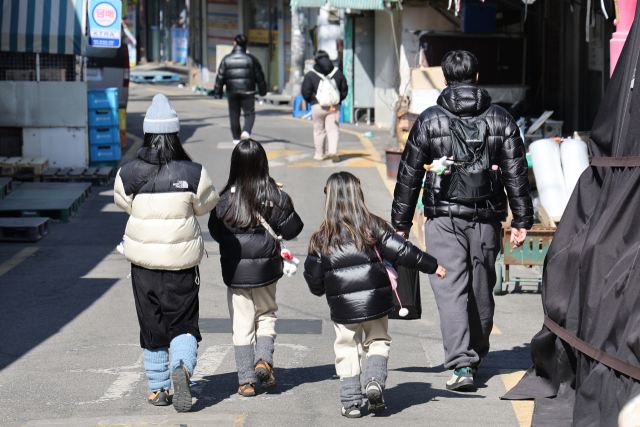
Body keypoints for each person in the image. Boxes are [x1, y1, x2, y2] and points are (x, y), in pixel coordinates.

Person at [391, 50, 533, 391]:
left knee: (450, 288)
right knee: (481, 287)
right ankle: (476, 352)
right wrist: (522, 219)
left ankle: (461, 364)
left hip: (442, 217)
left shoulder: (428, 119)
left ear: (445, 79)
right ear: (477, 78)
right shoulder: (502, 118)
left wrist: (401, 222)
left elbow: (409, 174)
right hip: (486, 218)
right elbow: (517, 172)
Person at [304, 172, 445, 418]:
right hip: (376, 301)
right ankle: (374, 382)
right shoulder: (373, 226)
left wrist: (319, 290)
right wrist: (432, 266)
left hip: (343, 307)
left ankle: (350, 402)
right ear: (358, 194)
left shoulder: (321, 237)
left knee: (347, 347)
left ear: (329, 197)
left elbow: (314, 277)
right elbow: (403, 252)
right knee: (378, 340)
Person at [114, 94, 220, 412]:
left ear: (147, 133)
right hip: (181, 264)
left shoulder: (129, 172)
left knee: (152, 325)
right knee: (183, 323)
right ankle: (183, 369)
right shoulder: (193, 172)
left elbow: (124, 204)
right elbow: (205, 206)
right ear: (175, 135)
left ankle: (160, 389)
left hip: (143, 264)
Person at [208, 139, 304, 397]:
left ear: (235, 165)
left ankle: (246, 381)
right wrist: (281, 196)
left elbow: (215, 231)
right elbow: (294, 228)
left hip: (235, 270)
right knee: (266, 315)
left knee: (241, 324)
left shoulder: (223, 198)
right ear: (263, 163)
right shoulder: (273, 195)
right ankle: (263, 359)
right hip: (265, 270)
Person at [213, 34, 268, 144]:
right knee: (249, 113)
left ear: (235, 43)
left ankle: (236, 138)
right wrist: (262, 91)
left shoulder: (226, 59)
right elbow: (259, 76)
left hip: (232, 91)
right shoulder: (251, 59)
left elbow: (220, 77)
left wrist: (217, 93)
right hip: (248, 90)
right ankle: (246, 131)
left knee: (234, 114)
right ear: (246, 45)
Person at [301, 50, 349, 162]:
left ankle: (319, 154)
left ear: (316, 60)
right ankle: (333, 151)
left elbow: (306, 92)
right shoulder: (337, 73)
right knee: (333, 129)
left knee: (319, 130)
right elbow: (344, 90)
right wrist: (337, 100)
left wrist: (312, 101)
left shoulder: (311, 74)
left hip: (317, 106)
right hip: (333, 106)